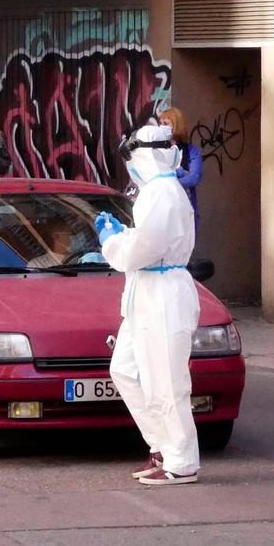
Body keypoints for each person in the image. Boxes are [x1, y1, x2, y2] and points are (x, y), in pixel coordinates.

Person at [96, 123, 200, 486]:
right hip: (146, 292)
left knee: (167, 381)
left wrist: (112, 243)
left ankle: (181, 460)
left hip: (164, 294)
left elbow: (145, 249)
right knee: (125, 370)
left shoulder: (162, 192)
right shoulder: (156, 191)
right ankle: (161, 445)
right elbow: (145, 242)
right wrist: (121, 236)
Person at [159, 107, 203, 227]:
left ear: (176, 125)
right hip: (163, 210)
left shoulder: (191, 151)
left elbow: (194, 177)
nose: (161, 127)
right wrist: (183, 174)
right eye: (160, 123)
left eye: (165, 123)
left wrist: (168, 182)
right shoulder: (157, 150)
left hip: (185, 210)